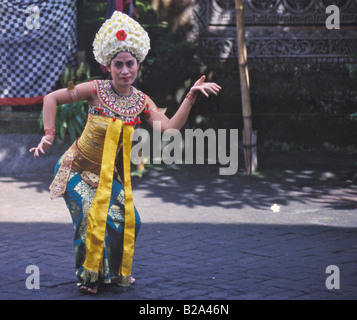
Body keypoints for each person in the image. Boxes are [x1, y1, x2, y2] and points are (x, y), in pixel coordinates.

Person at [29, 11, 221, 294]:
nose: (124, 71)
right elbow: (52, 98)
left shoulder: (142, 102)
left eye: (129, 64)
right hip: (76, 170)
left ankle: (116, 273)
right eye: (118, 65)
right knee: (88, 215)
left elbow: (168, 130)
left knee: (131, 221)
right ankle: (89, 277)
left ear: (138, 64)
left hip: (108, 176)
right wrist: (48, 134)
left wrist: (190, 97)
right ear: (108, 66)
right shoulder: (94, 89)